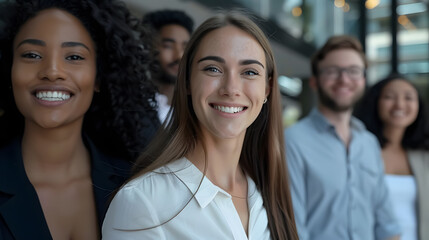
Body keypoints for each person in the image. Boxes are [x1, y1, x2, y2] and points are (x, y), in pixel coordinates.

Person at [102, 11, 299, 240]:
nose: (231, 88)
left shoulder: (266, 196)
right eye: (213, 69)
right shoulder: (143, 201)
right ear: (186, 81)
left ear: (267, 88)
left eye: (250, 72)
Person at [0, 0, 160, 239]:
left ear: (98, 77)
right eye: (32, 54)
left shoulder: (136, 185)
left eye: (74, 57)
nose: (52, 71)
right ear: (9, 69)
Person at [284, 35, 400, 240]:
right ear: (314, 81)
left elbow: (387, 224)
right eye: (332, 71)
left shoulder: (369, 143)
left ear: (363, 79)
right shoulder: (292, 141)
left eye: (353, 71)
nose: (344, 79)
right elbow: (294, 230)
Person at [356, 74, 429, 240]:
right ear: (375, 102)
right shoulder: (359, 151)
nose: (400, 104)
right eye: (389, 97)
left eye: (409, 97)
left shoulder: (424, 156)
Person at [142, 9, 194, 122]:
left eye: (185, 48)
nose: (179, 56)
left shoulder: (194, 114)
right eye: (168, 46)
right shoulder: (129, 104)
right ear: (147, 47)